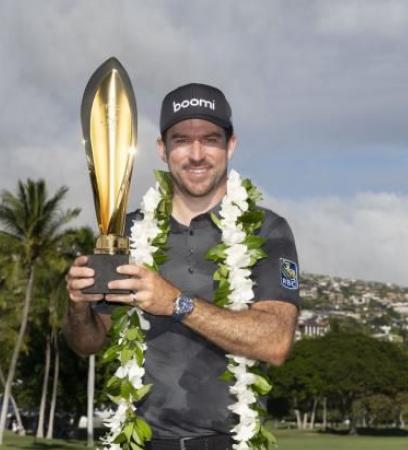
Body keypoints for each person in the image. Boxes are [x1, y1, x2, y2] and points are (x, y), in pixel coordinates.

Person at [64, 83, 300, 449]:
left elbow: (276, 341)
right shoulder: (126, 231)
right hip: (142, 442)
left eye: (210, 139)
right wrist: (78, 305)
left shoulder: (267, 231)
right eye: (181, 140)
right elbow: (89, 343)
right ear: (162, 149)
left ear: (230, 145)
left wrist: (176, 302)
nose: (196, 154)